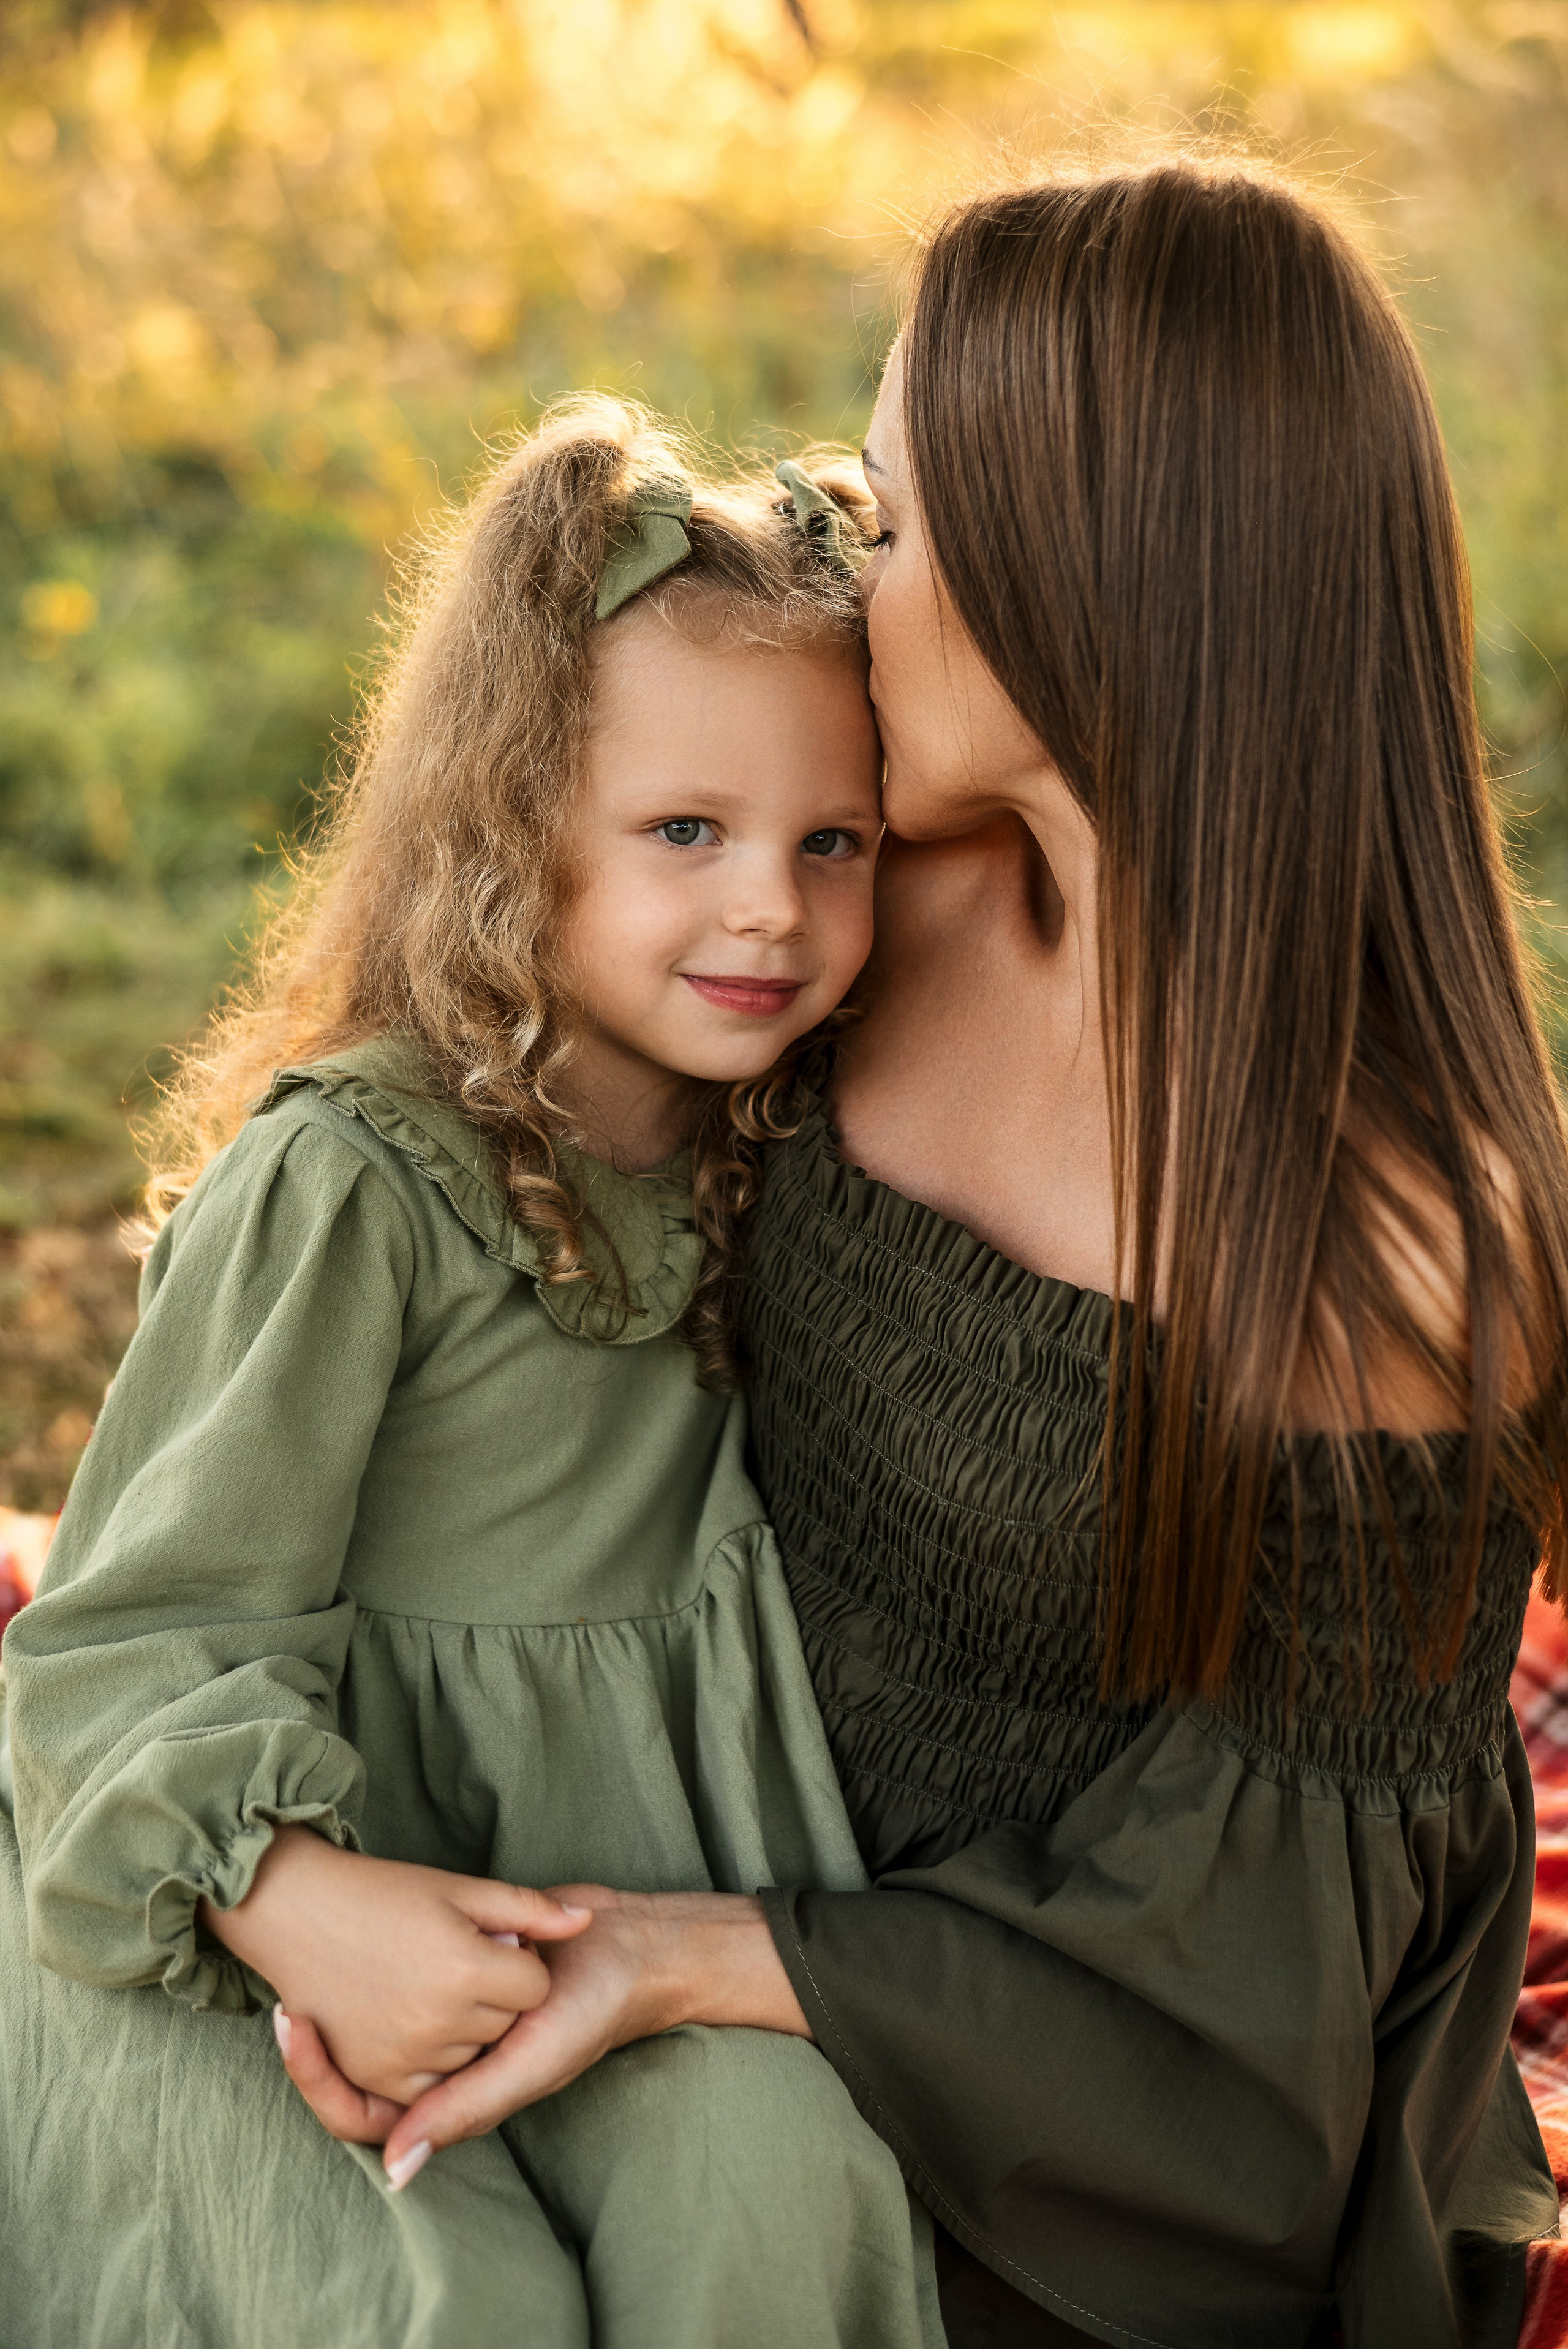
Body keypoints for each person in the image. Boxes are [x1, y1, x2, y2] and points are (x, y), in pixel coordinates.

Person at [284, 165, 1568, 2349]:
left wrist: (676, 1961)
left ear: (1085, 575)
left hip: (1025, 2122)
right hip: (637, 1802)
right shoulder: (881, 886)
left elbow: (1248, 2022)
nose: (847, 576)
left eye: (890, 522)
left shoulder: (1389, 1247)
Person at [0, 402, 946, 2349]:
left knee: (785, 2183)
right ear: (515, 824)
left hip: (607, 1916)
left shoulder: (785, 1147)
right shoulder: (357, 1179)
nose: (772, 905)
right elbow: (116, 1641)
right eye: (684, 831)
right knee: (454, 2293)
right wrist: (291, 1896)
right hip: (247, 1921)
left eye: (832, 841)